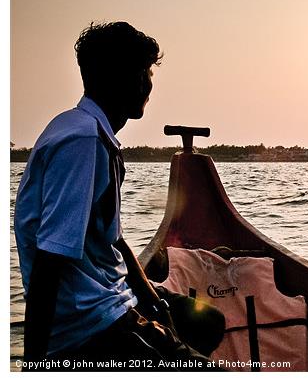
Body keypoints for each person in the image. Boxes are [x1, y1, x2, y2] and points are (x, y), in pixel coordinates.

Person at [14, 22, 224, 371]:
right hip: (90, 326)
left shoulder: (93, 133)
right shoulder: (82, 141)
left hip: (113, 300)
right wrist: (37, 367)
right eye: (142, 71)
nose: (147, 83)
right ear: (118, 77)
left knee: (206, 322)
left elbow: (116, 241)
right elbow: (50, 262)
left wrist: (152, 300)